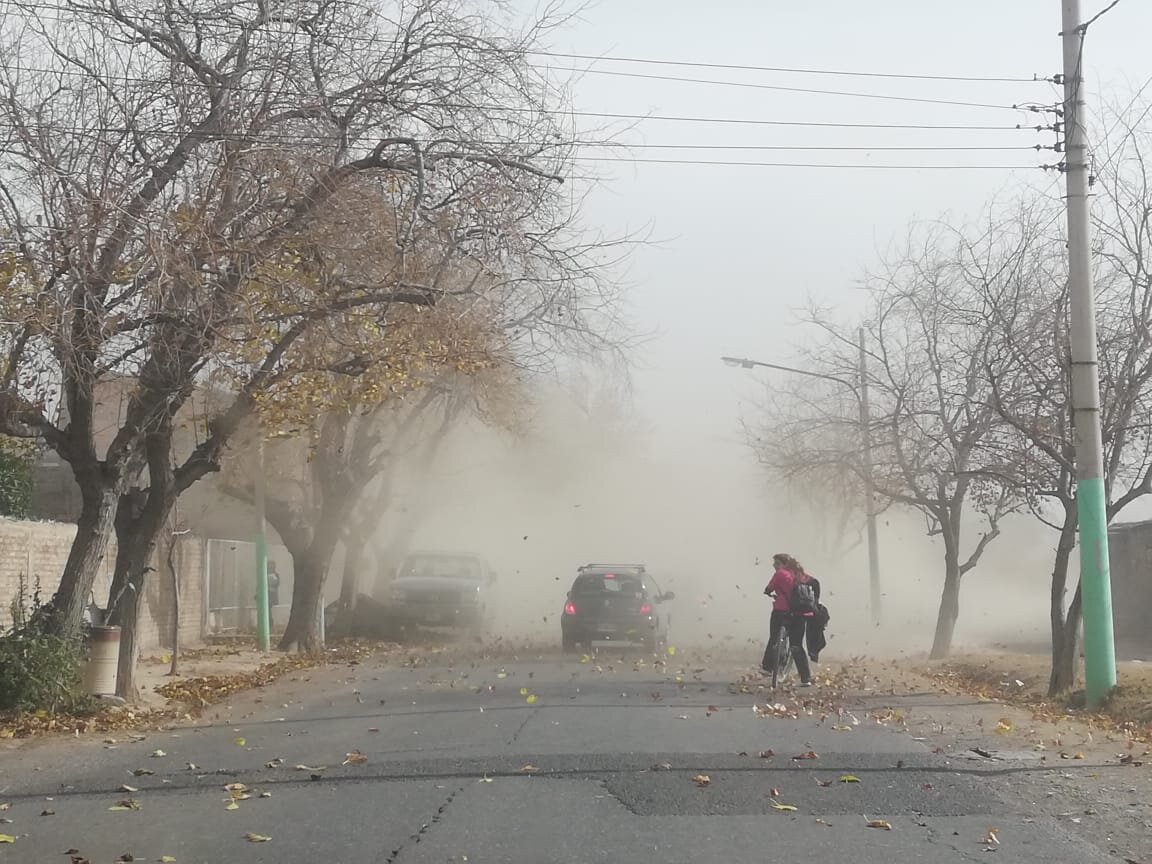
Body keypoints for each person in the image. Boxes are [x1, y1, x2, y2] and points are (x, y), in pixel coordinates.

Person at [761, 553, 813, 686]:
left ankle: (767, 667)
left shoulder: (780, 574)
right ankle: (805, 678)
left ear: (783, 564)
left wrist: (768, 592)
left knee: (774, 638)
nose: (774, 565)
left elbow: (769, 588)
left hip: (781, 612)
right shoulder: (800, 574)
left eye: (776, 563)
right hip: (799, 613)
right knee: (796, 645)